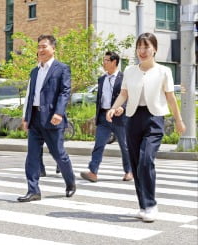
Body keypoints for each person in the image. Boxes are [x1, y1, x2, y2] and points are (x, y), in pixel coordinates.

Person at [106, 33, 185, 222]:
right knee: (135, 163)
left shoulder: (164, 71)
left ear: (154, 49)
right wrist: (114, 107)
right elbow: (124, 94)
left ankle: (151, 204)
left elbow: (170, 98)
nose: (142, 51)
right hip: (132, 119)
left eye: (146, 47)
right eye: (139, 47)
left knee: (146, 160)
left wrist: (179, 120)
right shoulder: (131, 71)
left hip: (154, 119)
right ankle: (143, 205)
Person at [18, 34, 76, 202]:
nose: (41, 50)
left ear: (53, 49)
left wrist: (59, 112)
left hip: (52, 118)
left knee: (59, 154)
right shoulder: (35, 71)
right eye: (39, 47)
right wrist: (25, 117)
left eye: (44, 46)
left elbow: (65, 92)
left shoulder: (61, 68)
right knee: (32, 156)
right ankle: (33, 190)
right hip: (35, 117)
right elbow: (31, 95)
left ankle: (70, 182)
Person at [80, 51, 132, 182]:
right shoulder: (101, 79)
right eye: (104, 60)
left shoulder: (124, 78)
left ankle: (129, 171)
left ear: (114, 62)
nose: (104, 63)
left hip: (120, 118)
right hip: (104, 117)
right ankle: (93, 172)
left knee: (124, 146)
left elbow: (129, 96)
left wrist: (122, 107)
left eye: (106, 60)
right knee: (99, 144)